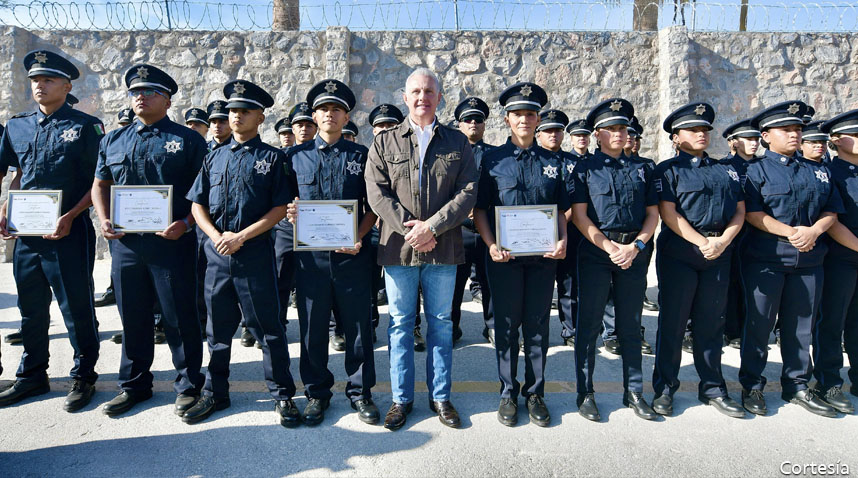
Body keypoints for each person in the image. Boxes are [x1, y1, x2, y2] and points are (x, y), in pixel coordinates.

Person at [365, 67, 478, 430]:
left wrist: (432, 227)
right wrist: (410, 230)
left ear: (439, 97)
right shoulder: (384, 142)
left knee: (441, 324)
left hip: (443, 249)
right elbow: (376, 192)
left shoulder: (458, 142)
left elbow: (468, 191)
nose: (422, 98)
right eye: (415, 91)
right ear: (405, 96)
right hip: (398, 250)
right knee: (400, 324)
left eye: (429, 91)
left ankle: (440, 397)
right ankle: (401, 400)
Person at [184, 79, 301, 427]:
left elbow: (280, 208)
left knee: (268, 330)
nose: (235, 117)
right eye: (232, 111)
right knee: (217, 331)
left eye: (243, 111)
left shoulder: (273, 158)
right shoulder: (213, 157)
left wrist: (241, 237)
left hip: (254, 255)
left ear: (260, 117)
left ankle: (282, 394)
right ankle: (215, 393)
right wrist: (218, 236)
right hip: (218, 255)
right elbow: (197, 205)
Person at [92, 64, 206, 418]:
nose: (140, 96)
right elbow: (100, 184)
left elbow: (203, 193)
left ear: (167, 99)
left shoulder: (188, 140)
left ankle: (188, 385)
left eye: (150, 91)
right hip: (126, 245)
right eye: (135, 91)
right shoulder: (113, 139)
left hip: (172, 243)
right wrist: (104, 218)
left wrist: (186, 223)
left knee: (178, 317)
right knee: (133, 316)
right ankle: (134, 385)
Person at [0, 50, 104, 412]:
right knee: (31, 307)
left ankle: (83, 375)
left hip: (69, 233)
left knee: (76, 307)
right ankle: (32, 375)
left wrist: (72, 215)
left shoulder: (85, 126)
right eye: (34, 80)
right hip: (28, 235)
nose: (39, 86)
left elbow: (98, 181)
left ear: (66, 85)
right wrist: (7, 208)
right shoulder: (17, 126)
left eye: (47, 80)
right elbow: (18, 173)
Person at [285, 79, 379, 426]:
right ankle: (316, 393)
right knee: (311, 327)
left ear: (346, 116)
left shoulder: (361, 156)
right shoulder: (294, 157)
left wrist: (358, 235)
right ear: (314, 115)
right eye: (324, 108)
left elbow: (374, 206)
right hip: (310, 260)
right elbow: (284, 203)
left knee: (357, 327)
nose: (330, 114)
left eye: (337, 109)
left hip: (352, 255)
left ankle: (360, 392)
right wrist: (291, 212)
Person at [474, 83, 569, 427]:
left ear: (538, 118)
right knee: (507, 325)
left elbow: (560, 209)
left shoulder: (553, 161)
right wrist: (490, 244)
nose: (525, 119)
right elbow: (481, 210)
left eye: (531, 114)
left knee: (539, 325)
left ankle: (535, 392)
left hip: (543, 259)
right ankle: (507, 392)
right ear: (507, 120)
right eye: (518, 114)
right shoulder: (492, 160)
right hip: (504, 259)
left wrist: (563, 240)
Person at [739, 101, 842, 418]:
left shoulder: (818, 170)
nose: (795, 134)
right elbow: (754, 215)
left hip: (809, 262)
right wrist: (792, 232)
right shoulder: (754, 171)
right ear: (767, 136)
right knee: (759, 325)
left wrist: (814, 231)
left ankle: (796, 384)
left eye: (798, 129)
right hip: (766, 260)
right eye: (787, 130)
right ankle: (752, 384)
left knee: (801, 328)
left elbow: (831, 209)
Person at [650, 103, 746, 418]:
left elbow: (740, 210)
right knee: (673, 324)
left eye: (705, 129)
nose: (702, 134)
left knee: (711, 323)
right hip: (681, 253)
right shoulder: (667, 170)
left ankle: (713, 388)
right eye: (693, 130)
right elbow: (668, 213)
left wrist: (723, 241)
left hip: (719, 251)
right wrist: (703, 242)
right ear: (676, 137)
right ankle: (665, 389)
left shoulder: (726, 169)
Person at [571, 98, 660, 422]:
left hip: (633, 253)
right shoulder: (583, 168)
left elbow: (653, 215)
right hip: (597, 252)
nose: (619, 134)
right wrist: (610, 247)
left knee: (630, 325)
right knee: (590, 325)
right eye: (612, 129)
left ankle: (633, 391)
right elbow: (580, 217)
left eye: (623, 128)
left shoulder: (643, 168)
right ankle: (586, 392)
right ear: (597, 134)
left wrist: (635, 246)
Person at [812, 110, 858, 412]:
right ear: (837, 140)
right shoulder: (829, 174)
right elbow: (832, 219)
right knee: (833, 322)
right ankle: (828, 382)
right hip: (841, 259)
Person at [452, 96, 495, 344]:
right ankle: (451, 327)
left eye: (478, 119)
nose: (473, 123)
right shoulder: (449, 155)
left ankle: (492, 326)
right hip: (459, 230)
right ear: (459, 124)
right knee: (454, 285)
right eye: (467, 119)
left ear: (484, 125)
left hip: (487, 228)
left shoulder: (495, 155)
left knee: (491, 284)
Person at [536, 108, 578, 348]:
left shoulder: (574, 162)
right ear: (539, 133)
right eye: (548, 130)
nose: (553, 135)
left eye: (558, 131)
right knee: (538, 288)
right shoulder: (532, 158)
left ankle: (570, 329)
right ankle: (537, 332)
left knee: (569, 284)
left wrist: (564, 219)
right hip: (536, 234)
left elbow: (580, 198)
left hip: (570, 231)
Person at [720, 119, 761, 349]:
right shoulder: (725, 166)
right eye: (748, 139)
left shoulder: (764, 165)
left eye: (756, 138)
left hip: (760, 231)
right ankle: (732, 329)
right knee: (733, 281)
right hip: (736, 230)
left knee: (755, 282)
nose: (754, 143)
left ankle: (750, 327)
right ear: (733, 142)